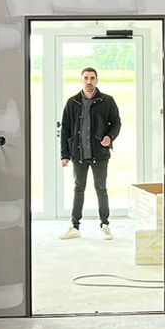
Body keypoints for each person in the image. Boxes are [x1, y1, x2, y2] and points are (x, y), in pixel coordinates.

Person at [58, 66, 121, 239]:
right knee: (78, 188)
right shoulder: (72, 102)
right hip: (78, 154)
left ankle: (105, 225)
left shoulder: (107, 101)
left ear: (97, 80)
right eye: (86, 78)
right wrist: (64, 155)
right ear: (81, 80)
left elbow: (116, 123)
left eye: (92, 78)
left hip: (99, 154)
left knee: (101, 188)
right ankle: (75, 226)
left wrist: (110, 137)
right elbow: (65, 130)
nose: (89, 81)